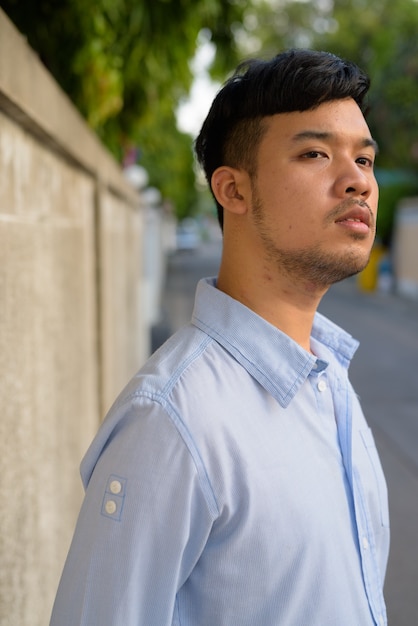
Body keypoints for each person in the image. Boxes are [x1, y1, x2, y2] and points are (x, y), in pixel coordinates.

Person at [50, 49, 389, 626]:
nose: (357, 179)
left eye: (364, 158)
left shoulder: (331, 382)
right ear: (233, 190)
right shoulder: (172, 421)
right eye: (315, 153)